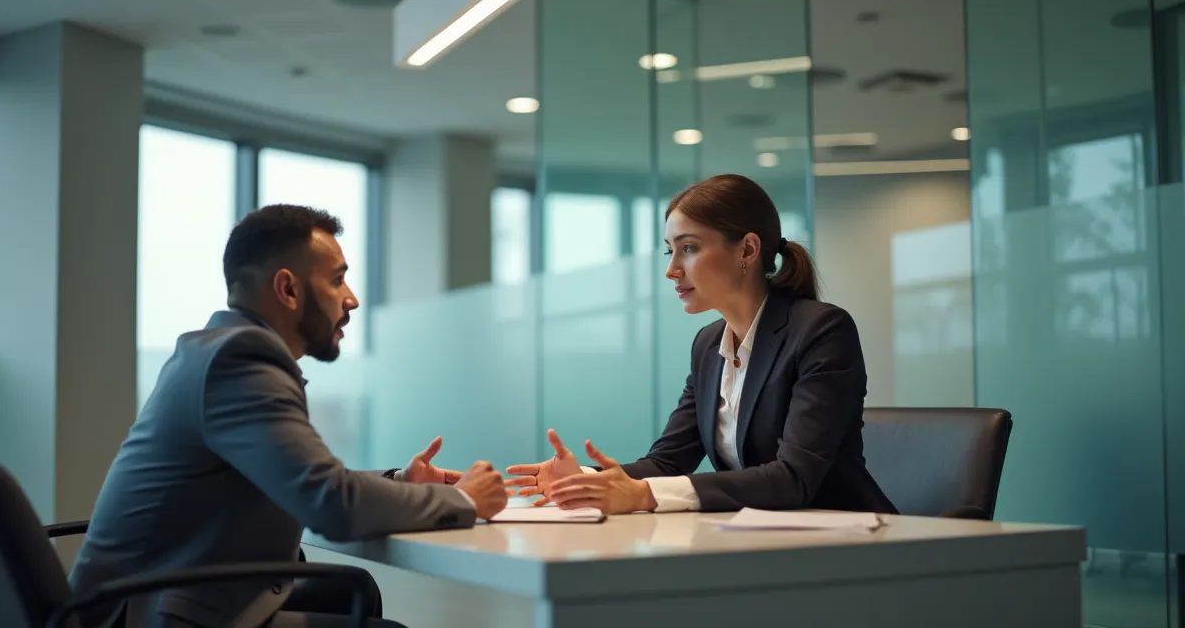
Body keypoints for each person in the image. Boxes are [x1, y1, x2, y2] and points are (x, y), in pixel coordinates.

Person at [69, 204, 508, 628]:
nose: (351, 299)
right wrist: (464, 500)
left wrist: (400, 483)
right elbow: (331, 503)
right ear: (289, 289)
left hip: (172, 589)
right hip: (149, 613)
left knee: (356, 591)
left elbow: (303, 479)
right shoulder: (239, 361)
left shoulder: (220, 349)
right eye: (337, 281)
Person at [506, 174, 897, 516]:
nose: (671, 268)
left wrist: (644, 496)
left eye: (689, 247)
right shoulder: (709, 344)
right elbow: (666, 463)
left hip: (846, 541)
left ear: (747, 249)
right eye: (669, 249)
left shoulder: (822, 330)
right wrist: (584, 480)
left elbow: (793, 478)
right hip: (757, 540)